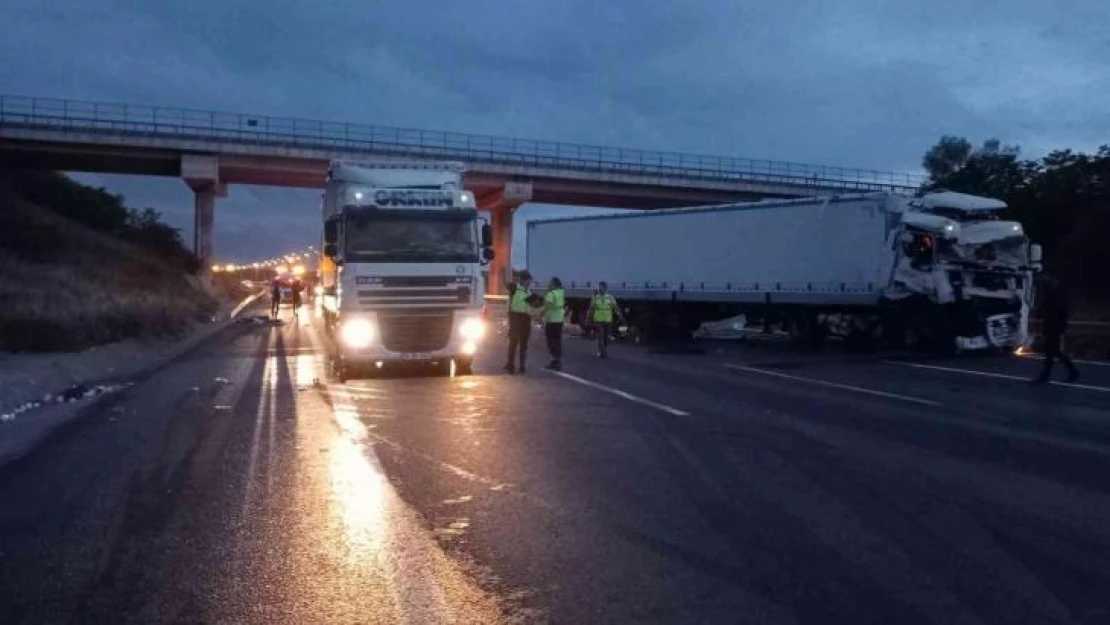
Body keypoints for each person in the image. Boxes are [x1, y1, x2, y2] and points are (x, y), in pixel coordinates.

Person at [1032, 272, 1079, 383]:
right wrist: (1040, 313)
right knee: (1053, 351)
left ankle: (1046, 375)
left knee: (1051, 351)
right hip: (1050, 324)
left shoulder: (1059, 292)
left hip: (1055, 326)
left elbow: (1063, 311)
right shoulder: (1049, 291)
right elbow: (1046, 306)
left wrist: (1061, 326)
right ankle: (1071, 371)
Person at [505, 270, 539, 374]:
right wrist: (508, 316)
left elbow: (533, 308)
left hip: (526, 319)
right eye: (528, 280)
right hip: (515, 317)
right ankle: (510, 365)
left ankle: (522, 366)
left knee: (524, 344)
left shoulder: (530, 293)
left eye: (530, 280)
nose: (529, 282)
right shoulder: (515, 289)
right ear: (524, 280)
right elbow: (509, 303)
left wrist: (536, 316)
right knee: (513, 343)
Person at [586, 281, 624, 359]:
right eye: (599, 287)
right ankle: (602, 353)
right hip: (598, 320)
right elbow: (591, 309)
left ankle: (604, 349)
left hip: (607, 320)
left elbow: (615, 307)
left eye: (602, 287)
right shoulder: (595, 298)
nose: (600, 289)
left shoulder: (610, 297)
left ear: (605, 288)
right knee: (601, 337)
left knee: (606, 337)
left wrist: (620, 315)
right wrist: (588, 318)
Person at [543, 277, 566, 370]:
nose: (549, 284)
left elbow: (547, 305)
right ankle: (558, 361)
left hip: (551, 320)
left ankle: (555, 360)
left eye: (550, 283)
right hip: (559, 319)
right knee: (557, 341)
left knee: (550, 341)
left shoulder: (551, 294)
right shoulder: (561, 292)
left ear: (554, 284)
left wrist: (540, 313)